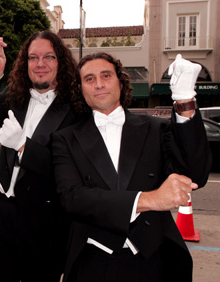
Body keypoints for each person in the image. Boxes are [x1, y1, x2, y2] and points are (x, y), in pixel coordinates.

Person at [51, 52, 211, 282]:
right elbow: (72, 198)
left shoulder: (156, 129)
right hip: (92, 262)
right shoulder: (65, 139)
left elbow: (195, 175)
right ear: (80, 88)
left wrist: (185, 100)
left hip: (154, 261)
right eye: (89, 79)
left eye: (106, 75)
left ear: (120, 80)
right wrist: (151, 199)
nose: (99, 84)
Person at [0, 30, 78, 282]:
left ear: (60, 61)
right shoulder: (15, 96)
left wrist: (22, 146)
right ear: (25, 63)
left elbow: (68, 168)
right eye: (33, 57)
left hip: (45, 223)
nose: (40, 64)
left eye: (48, 57)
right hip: (1, 215)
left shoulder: (76, 108)